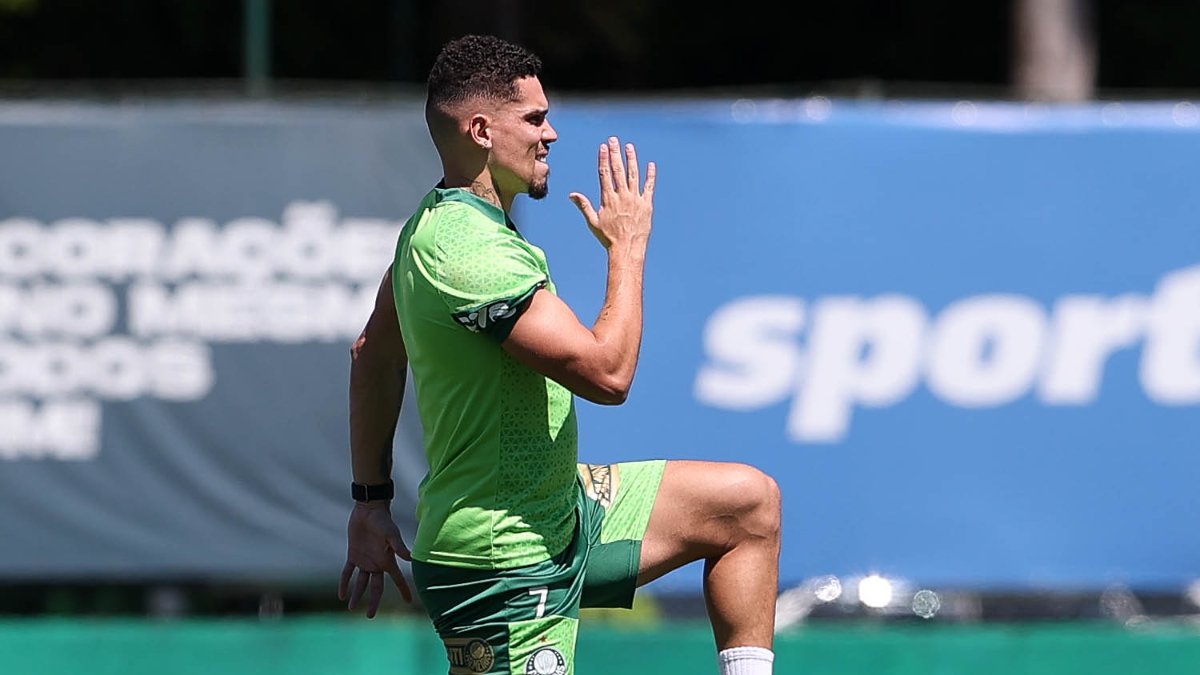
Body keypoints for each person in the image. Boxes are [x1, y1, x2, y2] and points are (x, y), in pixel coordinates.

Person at [338, 34, 781, 675]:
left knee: (745, 504)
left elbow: (371, 355)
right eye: (536, 119)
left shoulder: (439, 226)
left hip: (560, 511)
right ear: (483, 130)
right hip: (500, 561)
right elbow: (606, 374)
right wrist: (626, 250)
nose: (552, 134)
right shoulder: (467, 250)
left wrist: (369, 502)